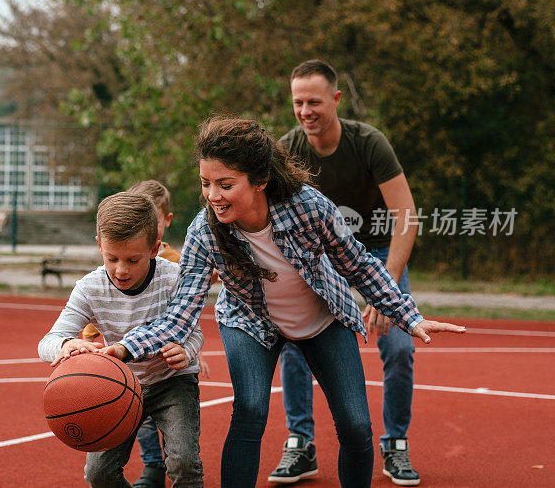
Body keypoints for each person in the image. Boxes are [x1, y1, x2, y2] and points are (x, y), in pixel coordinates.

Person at [97, 116, 465, 488]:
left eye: (225, 184)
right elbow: (179, 317)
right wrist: (126, 349)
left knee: (355, 424)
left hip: (322, 318)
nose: (212, 195)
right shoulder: (204, 232)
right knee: (251, 410)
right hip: (249, 322)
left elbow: (357, 264)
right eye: (206, 183)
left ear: (259, 181)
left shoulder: (308, 207)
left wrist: (408, 316)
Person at [269, 59, 421, 486]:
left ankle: (395, 444)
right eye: (298, 102)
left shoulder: (369, 143)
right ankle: (301, 444)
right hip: (318, 256)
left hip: (373, 252)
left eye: (314, 101)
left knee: (399, 349)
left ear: (336, 99)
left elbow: (406, 216)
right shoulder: (287, 150)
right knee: (294, 343)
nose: (305, 111)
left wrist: (384, 287)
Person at [38, 191, 205, 488]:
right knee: (98, 474)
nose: (121, 269)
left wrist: (187, 351)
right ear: (99, 245)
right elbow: (48, 340)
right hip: (121, 387)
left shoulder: (173, 278)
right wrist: (66, 345)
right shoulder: (90, 288)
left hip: (172, 382)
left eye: (132, 259)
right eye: (111, 257)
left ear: (154, 249)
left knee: (183, 463)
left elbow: (192, 330)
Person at [126, 180, 211, 488]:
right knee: (143, 421)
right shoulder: (125, 260)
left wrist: (192, 349)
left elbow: (188, 311)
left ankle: (173, 464)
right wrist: (87, 334)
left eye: (154, 220)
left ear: (167, 220)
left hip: (168, 359)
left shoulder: (178, 262)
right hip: (134, 362)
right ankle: (152, 465)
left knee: (172, 419)